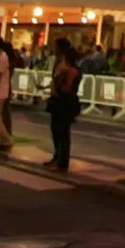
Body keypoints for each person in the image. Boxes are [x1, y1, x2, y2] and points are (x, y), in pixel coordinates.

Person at [43, 39, 82, 172]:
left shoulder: (71, 70)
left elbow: (66, 88)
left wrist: (59, 78)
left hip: (65, 102)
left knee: (62, 131)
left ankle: (61, 161)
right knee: (56, 130)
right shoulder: (63, 66)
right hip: (60, 101)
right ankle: (57, 157)